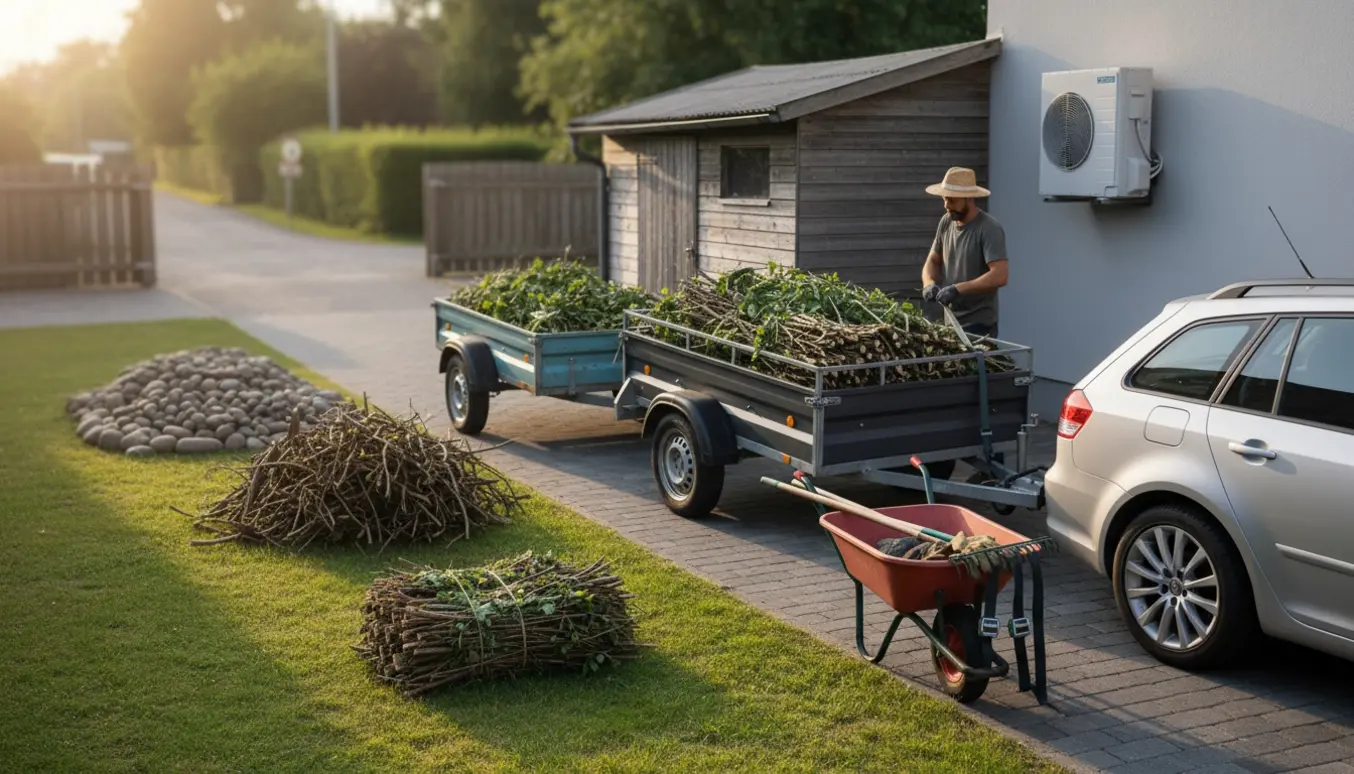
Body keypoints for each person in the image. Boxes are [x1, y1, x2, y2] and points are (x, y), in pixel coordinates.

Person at [920, 167, 1009, 340]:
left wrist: (957, 289)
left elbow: (1000, 275)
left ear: (968, 198)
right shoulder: (946, 222)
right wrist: (928, 283)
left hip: (979, 327)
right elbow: (933, 260)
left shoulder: (989, 229)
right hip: (950, 323)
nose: (947, 205)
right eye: (945, 199)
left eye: (952, 200)